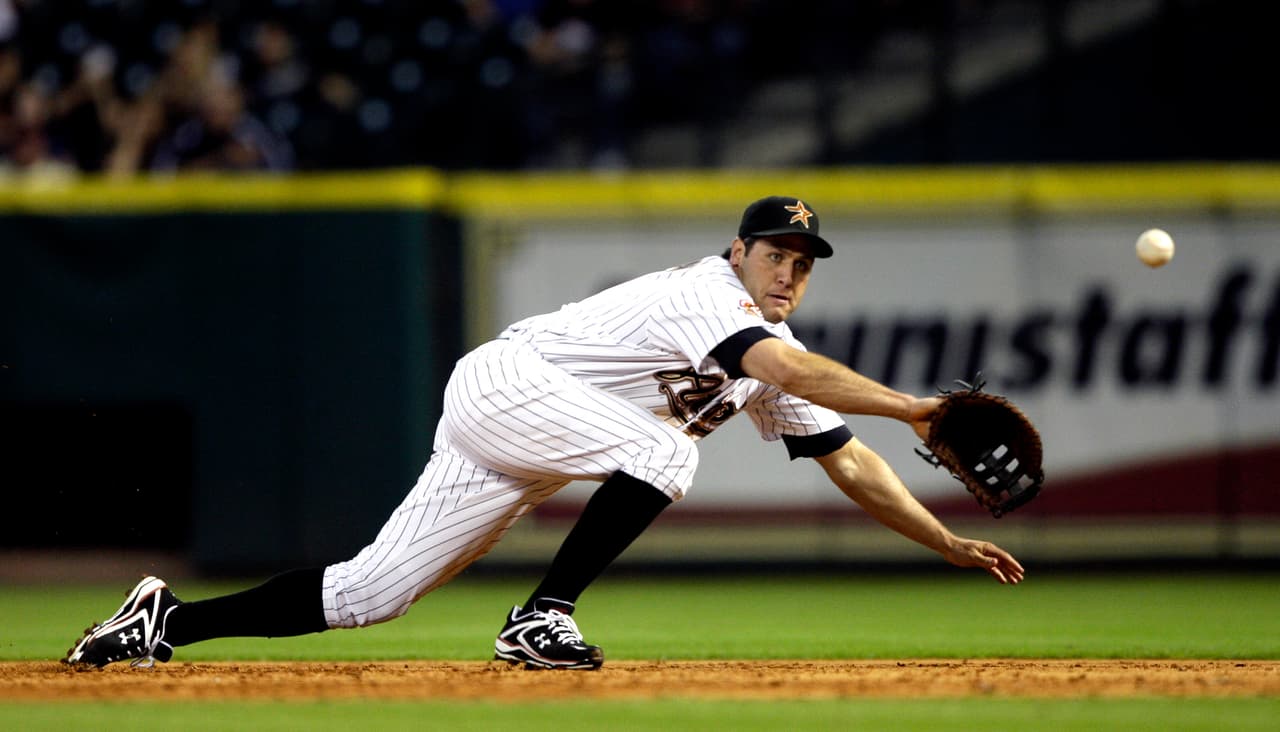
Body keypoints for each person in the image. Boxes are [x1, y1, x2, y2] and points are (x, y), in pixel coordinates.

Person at [64, 196, 1024, 671]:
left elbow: (844, 459)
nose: (788, 272)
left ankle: (160, 623)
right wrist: (916, 408)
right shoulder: (706, 294)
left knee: (369, 595)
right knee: (664, 450)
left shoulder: (777, 340)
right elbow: (779, 372)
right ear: (741, 251)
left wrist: (940, 538)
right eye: (777, 253)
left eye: (804, 262)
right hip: (508, 385)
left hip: (532, 438)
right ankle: (540, 617)